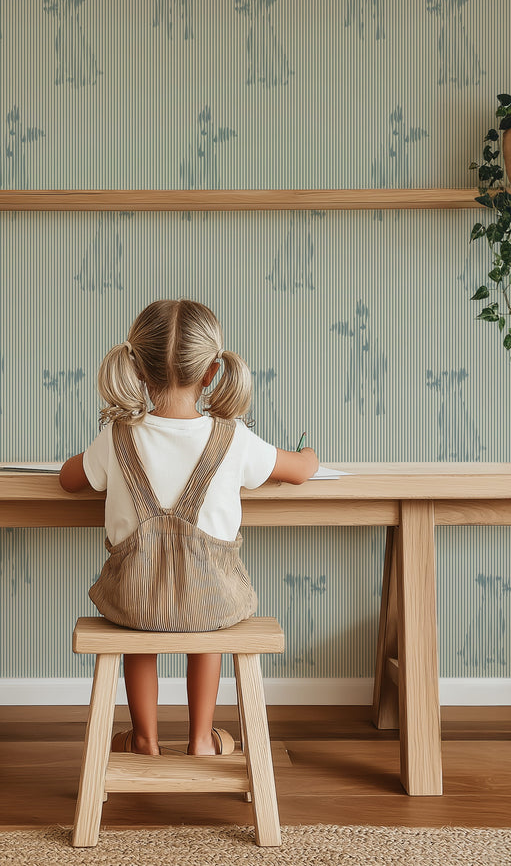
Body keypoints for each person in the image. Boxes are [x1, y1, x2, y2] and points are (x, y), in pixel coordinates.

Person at [60, 299, 318, 757]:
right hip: (213, 603)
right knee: (208, 617)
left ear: (137, 370)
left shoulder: (118, 436)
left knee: (140, 624)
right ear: (212, 372)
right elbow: (297, 471)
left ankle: (144, 738)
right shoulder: (233, 437)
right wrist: (310, 455)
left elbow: (69, 480)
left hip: (133, 603)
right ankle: (201, 738)